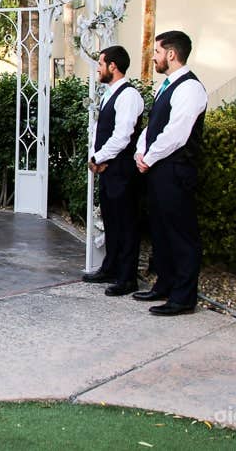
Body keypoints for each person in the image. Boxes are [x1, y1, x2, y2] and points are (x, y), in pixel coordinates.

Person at [133, 31, 207, 316]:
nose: (153, 56)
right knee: (161, 231)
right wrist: (141, 151)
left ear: (171, 54)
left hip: (176, 170)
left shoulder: (190, 88)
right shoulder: (167, 85)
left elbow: (176, 133)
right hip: (158, 168)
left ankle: (183, 297)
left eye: (157, 51)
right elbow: (154, 126)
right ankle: (164, 284)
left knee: (181, 234)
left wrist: (149, 157)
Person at [84, 45, 144, 297]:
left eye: (100, 63)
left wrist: (99, 157)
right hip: (109, 168)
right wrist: (96, 159)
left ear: (113, 66)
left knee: (126, 223)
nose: (98, 67)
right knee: (111, 220)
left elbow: (123, 135)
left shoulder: (129, 96)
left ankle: (127, 277)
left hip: (122, 169)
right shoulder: (111, 93)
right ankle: (110, 267)